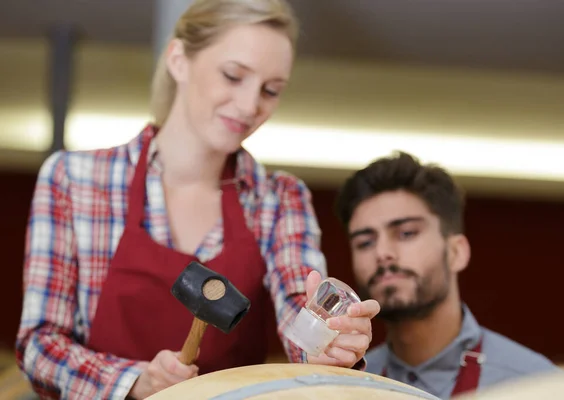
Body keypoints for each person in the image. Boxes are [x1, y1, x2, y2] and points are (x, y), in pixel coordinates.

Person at [15, 1, 380, 399]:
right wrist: (136, 381)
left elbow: (301, 307)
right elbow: (40, 345)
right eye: (233, 75)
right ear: (178, 59)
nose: (249, 106)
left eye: (271, 90)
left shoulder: (278, 199)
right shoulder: (74, 180)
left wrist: (330, 340)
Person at [334, 151, 560, 399]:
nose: (382, 253)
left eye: (406, 233)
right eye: (365, 242)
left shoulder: (537, 385)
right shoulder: (343, 385)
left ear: (456, 252)